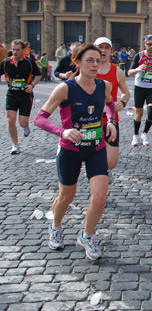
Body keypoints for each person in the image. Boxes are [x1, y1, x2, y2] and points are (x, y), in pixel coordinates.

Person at [33, 43, 117, 260]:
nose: (95, 64)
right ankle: (56, 226)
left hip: (96, 149)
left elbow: (110, 105)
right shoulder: (65, 89)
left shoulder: (103, 85)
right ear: (77, 62)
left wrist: (110, 122)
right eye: (90, 60)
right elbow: (39, 119)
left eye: (98, 60)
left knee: (99, 198)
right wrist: (63, 132)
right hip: (70, 150)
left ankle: (87, 236)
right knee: (65, 197)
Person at [94, 37, 130, 177]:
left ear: (110, 51)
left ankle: (101, 170)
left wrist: (122, 102)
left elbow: (126, 92)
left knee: (111, 162)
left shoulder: (117, 72)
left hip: (111, 120)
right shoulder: (88, 70)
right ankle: (97, 176)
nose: (103, 50)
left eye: (106, 47)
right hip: (90, 120)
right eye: (100, 47)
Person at [0, 39, 42, 154]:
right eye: (13, 49)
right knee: (10, 119)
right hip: (12, 94)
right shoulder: (6, 63)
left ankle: (25, 127)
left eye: (17, 50)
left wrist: (32, 85)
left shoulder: (29, 62)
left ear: (24, 50)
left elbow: (38, 75)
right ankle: (15, 144)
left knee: (22, 122)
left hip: (25, 96)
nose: (14, 52)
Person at [128, 34, 152, 147]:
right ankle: (135, 135)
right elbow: (129, 72)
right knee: (139, 113)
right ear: (145, 44)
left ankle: (145, 133)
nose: (151, 46)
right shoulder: (139, 55)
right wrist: (138, 69)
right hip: (139, 87)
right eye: (149, 44)